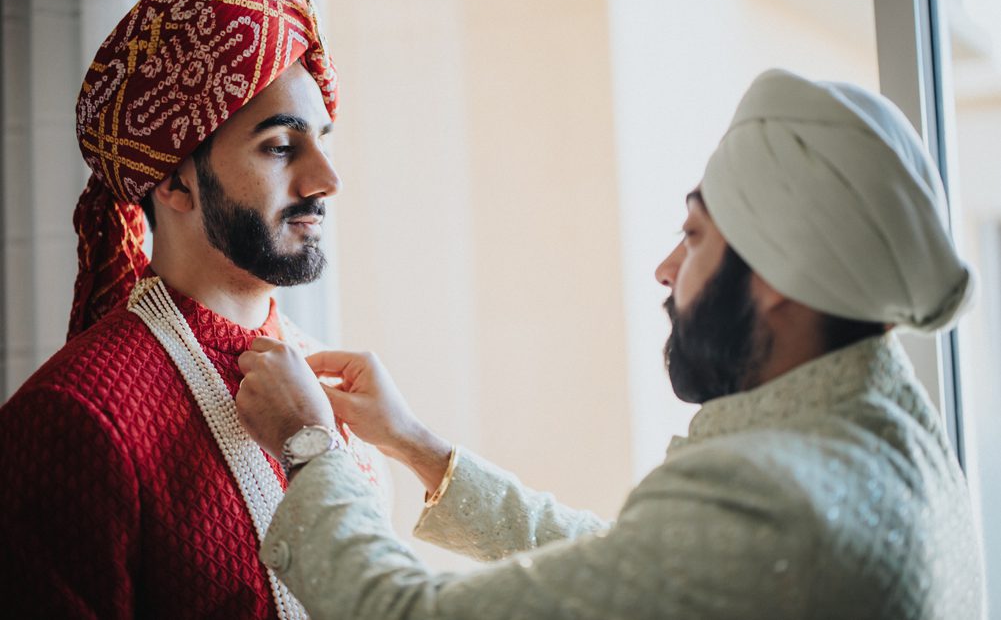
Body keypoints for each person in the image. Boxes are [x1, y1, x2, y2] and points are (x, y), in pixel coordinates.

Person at [234, 69, 986, 619]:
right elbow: (641, 568)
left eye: (693, 235)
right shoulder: (893, 439)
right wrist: (421, 448)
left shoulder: (778, 501)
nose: (665, 268)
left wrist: (312, 450)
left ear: (779, 274)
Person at [0, 0, 384, 618]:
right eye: (279, 146)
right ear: (175, 181)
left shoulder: (332, 392)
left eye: (320, 140)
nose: (326, 180)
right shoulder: (75, 416)